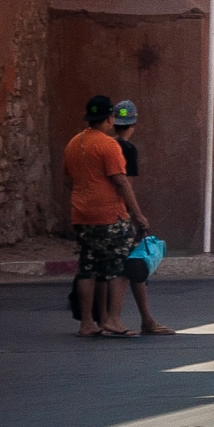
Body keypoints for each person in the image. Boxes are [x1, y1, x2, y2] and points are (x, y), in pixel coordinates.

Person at [63, 96, 151, 340]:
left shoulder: (73, 143)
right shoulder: (108, 146)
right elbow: (121, 182)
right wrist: (138, 215)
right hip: (109, 216)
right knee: (123, 264)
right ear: (110, 118)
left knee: (88, 268)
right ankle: (112, 319)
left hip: (81, 215)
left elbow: (67, 179)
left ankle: (87, 324)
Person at [108, 101, 173, 335]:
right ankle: (124, 320)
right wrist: (137, 216)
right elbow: (127, 187)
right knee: (131, 266)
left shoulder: (102, 146)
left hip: (96, 214)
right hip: (119, 216)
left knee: (128, 267)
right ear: (133, 123)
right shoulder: (127, 150)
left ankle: (144, 319)